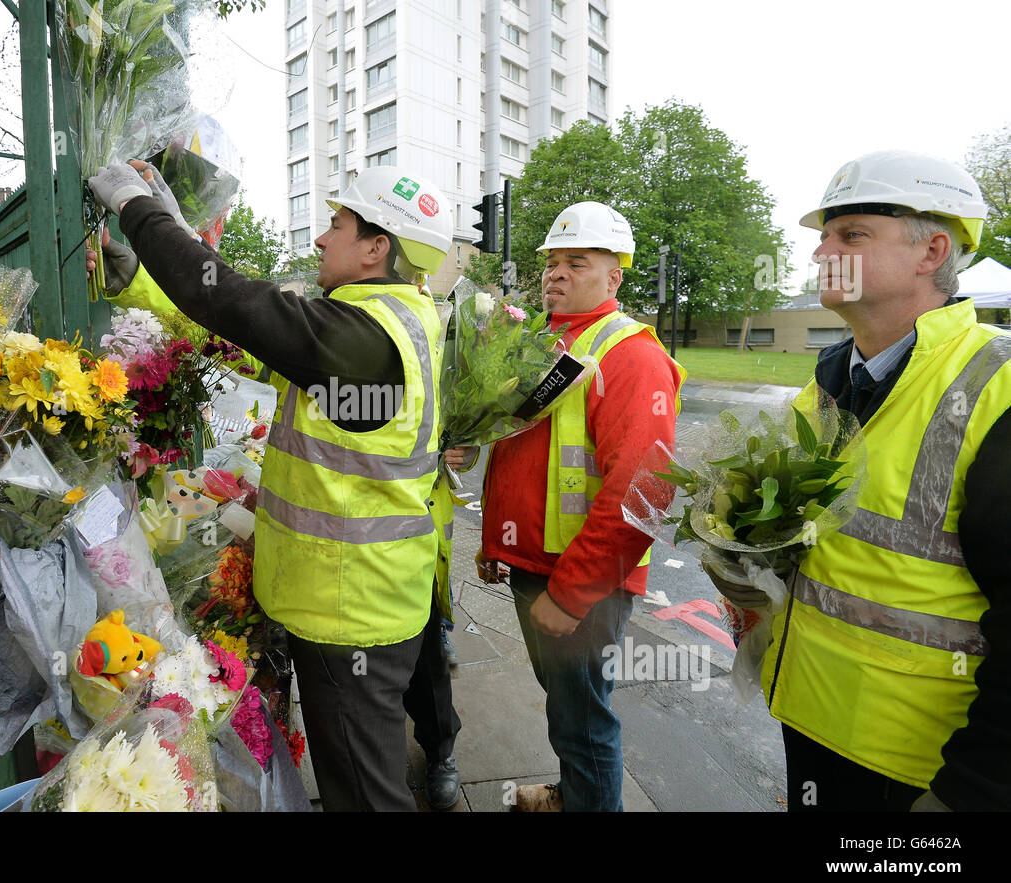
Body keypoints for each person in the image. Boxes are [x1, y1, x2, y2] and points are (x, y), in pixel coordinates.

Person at [89, 162, 461, 811]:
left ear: (377, 248)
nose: (321, 238)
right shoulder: (388, 321)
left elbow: (229, 300)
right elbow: (247, 316)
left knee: (365, 795)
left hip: (349, 613)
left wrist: (134, 205)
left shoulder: (363, 338)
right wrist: (163, 248)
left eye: (337, 225)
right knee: (360, 781)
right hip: (369, 593)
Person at [707, 150, 1010, 812]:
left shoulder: (997, 389)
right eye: (822, 237)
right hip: (809, 725)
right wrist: (736, 556)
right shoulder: (822, 389)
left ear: (933, 250)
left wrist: (972, 790)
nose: (821, 253)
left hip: (918, 767)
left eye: (851, 235)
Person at [447, 202, 685, 811]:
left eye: (576, 262)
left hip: (581, 584)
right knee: (567, 708)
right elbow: (525, 451)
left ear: (616, 277)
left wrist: (572, 593)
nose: (556, 274)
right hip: (538, 567)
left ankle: (586, 799)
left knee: (584, 723)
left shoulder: (631, 355)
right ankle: (572, 794)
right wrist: (497, 544)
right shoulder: (539, 343)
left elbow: (646, 490)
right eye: (552, 262)